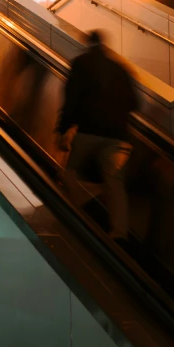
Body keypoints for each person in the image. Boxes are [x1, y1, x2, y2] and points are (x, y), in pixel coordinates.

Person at [55, 29, 139, 240]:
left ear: (87, 44)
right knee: (115, 181)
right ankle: (119, 232)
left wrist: (63, 129)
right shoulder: (121, 68)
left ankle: (78, 216)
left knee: (69, 174)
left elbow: (71, 97)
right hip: (119, 134)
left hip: (90, 130)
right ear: (104, 46)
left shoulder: (82, 63)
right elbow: (135, 103)